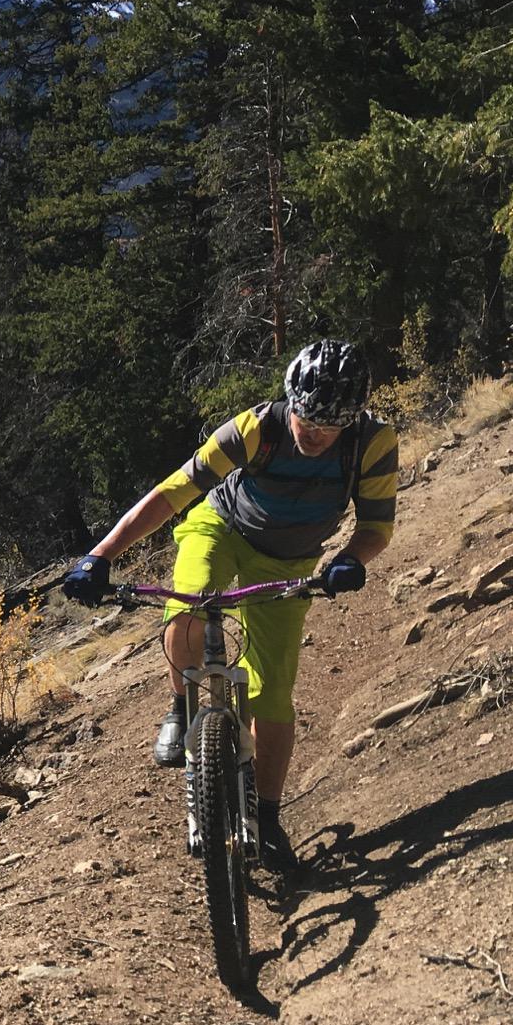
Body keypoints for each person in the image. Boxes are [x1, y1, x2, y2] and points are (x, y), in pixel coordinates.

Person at [64, 340, 398, 870]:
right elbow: (174, 492)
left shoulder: (372, 444)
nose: (311, 433)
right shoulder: (257, 427)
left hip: (289, 560)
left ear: (352, 420)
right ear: (292, 401)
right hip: (222, 528)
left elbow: (377, 526)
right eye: (305, 419)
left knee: (273, 692)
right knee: (187, 610)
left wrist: (351, 558)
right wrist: (100, 555)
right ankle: (181, 706)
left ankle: (266, 819)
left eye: (327, 427)